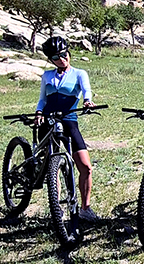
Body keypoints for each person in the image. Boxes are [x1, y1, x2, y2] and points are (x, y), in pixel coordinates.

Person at [35, 36, 99, 222]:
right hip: (48, 121)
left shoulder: (79, 74)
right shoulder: (47, 76)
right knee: (51, 167)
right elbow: (42, 99)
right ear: (51, 60)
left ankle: (85, 208)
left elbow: (86, 90)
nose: (62, 59)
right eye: (56, 57)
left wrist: (87, 101)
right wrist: (39, 112)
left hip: (69, 120)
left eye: (64, 54)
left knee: (85, 167)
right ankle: (57, 209)